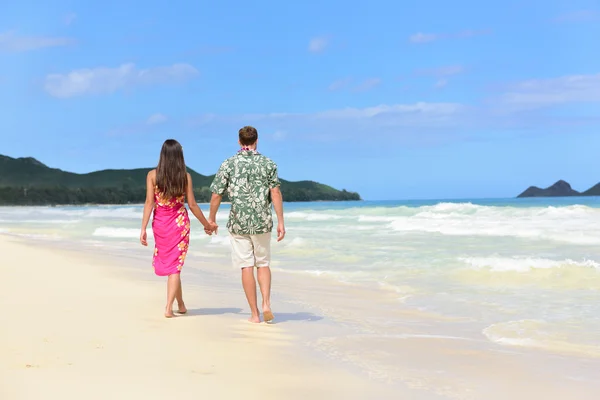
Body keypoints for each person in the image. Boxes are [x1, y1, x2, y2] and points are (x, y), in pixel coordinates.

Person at [208, 126, 286, 324]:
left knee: (246, 266)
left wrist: (212, 219)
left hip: (239, 222)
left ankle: (254, 314)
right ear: (257, 140)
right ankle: (266, 303)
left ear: (238, 141)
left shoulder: (229, 164)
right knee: (263, 263)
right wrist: (281, 222)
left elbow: (217, 194)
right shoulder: (268, 163)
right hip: (262, 221)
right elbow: (275, 193)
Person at [140, 139, 217, 318]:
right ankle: (168, 307)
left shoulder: (152, 175)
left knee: (175, 265)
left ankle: (180, 304)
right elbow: (192, 204)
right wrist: (207, 225)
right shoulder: (185, 176)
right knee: (175, 266)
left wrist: (143, 228)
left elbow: (149, 202)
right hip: (179, 224)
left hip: (160, 223)